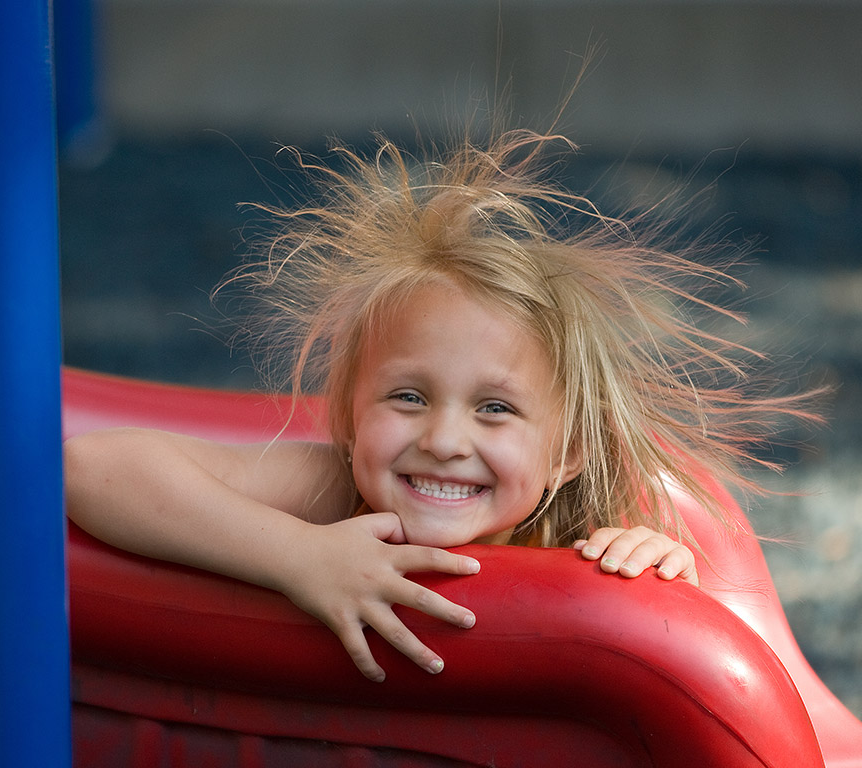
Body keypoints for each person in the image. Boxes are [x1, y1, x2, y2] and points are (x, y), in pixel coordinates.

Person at [65, 128, 811, 683]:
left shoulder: (581, 534)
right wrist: (296, 557)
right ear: (351, 419)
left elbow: (715, 672)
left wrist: (660, 568)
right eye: (409, 396)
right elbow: (93, 467)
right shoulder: (333, 499)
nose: (446, 439)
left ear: (568, 451)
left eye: (495, 410)